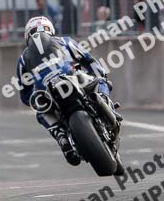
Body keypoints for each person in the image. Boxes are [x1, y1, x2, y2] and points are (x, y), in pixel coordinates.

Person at [17, 16, 121, 167]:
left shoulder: (22, 59)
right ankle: (103, 100)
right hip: (71, 78)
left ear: (27, 36)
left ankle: (61, 137)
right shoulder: (64, 41)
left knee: (41, 112)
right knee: (101, 81)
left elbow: (25, 95)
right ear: (50, 29)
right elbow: (88, 59)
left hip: (46, 92)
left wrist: (37, 98)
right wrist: (100, 75)